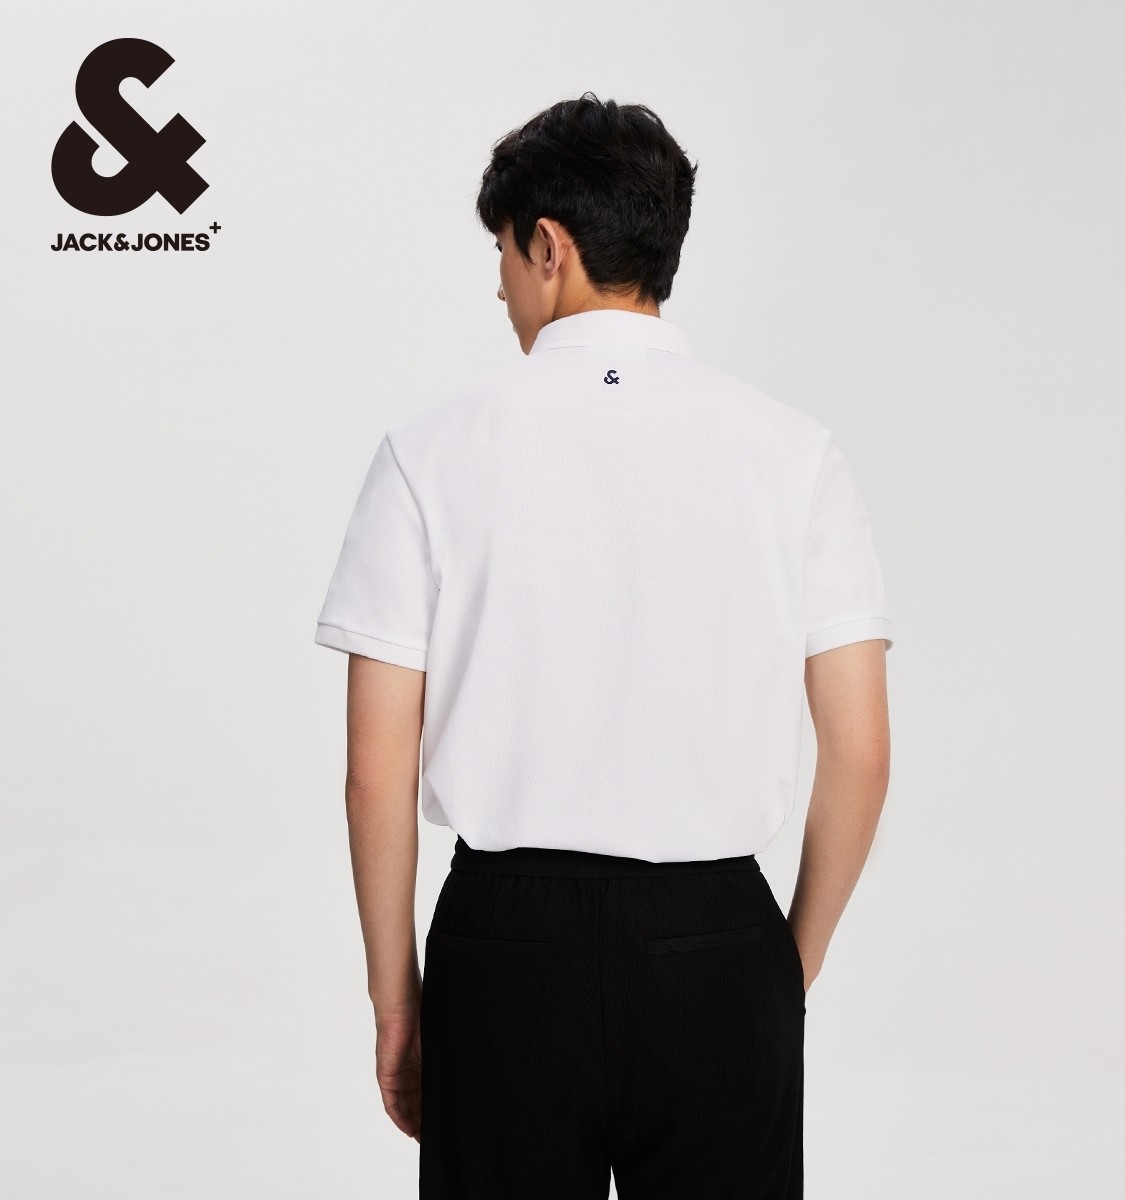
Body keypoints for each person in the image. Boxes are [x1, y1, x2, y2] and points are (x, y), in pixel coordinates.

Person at [314, 91, 893, 1199]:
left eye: (503, 253)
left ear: (550, 245)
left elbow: (373, 772)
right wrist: (782, 971)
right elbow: (861, 754)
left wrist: (398, 1004)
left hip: (505, 950)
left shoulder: (428, 450)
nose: (499, 287)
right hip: (718, 940)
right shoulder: (795, 454)